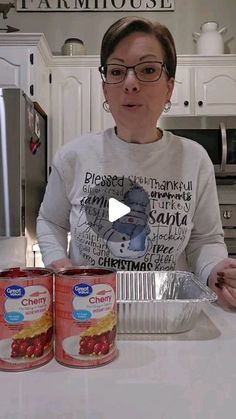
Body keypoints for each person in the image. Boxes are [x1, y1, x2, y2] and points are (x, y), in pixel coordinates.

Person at [37, 16, 236, 309]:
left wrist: (214, 271)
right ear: (106, 89)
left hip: (167, 315)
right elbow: (50, 221)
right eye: (117, 71)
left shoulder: (194, 160)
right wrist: (60, 264)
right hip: (87, 312)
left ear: (169, 87)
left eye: (148, 70)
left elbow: (204, 240)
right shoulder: (73, 156)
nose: (130, 83)